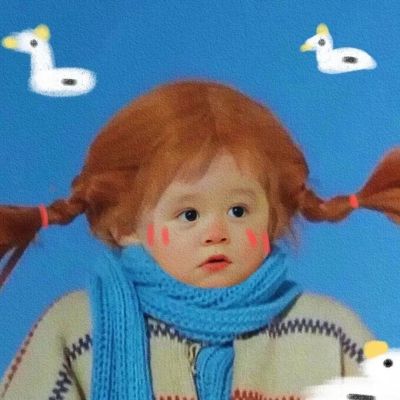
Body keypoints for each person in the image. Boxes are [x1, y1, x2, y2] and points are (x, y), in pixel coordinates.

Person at [0, 80, 399, 400]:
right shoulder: (78, 330)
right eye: (188, 215)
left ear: (274, 217)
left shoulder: (328, 332)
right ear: (126, 225)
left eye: (239, 211)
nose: (217, 233)